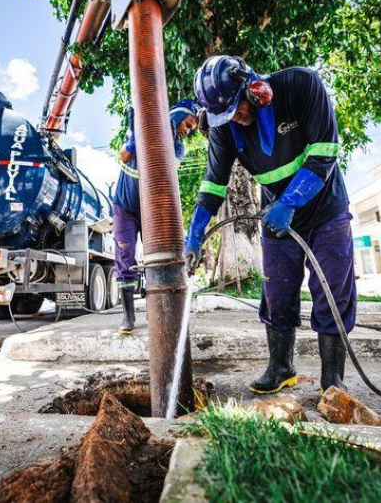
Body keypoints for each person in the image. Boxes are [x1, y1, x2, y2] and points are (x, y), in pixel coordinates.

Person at [185, 55, 356, 393]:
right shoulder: (224, 128)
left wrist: (290, 201)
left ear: (254, 88)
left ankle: (332, 380)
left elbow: (325, 152)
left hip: (325, 209)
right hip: (276, 219)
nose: (236, 118)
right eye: (225, 116)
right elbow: (213, 186)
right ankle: (281, 368)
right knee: (276, 292)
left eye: (238, 108)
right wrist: (194, 234)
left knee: (333, 292)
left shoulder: (301, 85)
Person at [114, 99, 199, 334]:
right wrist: (136, 137)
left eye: (191, 129)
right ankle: (128, 316)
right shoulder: (138, 130)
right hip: (125, 207)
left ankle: (155, 310)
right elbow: (124, 156)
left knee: (155, 258)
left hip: (151, 209)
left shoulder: (178, 147)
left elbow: (164, 171)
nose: (187, 131)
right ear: (177, 116)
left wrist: (161, 141)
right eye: (188, 124)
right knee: (125, 256)